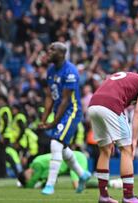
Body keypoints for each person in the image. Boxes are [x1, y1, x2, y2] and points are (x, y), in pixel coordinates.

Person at [88, 72, 138, 203]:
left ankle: (104, 196)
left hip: (93, 105)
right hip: (110, 105)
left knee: (105, 150)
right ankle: (129, 197)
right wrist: (134, 140)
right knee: (126, 150)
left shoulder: (127, 77)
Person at [38, 42, 91, 195]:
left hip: (71, 111)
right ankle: (82, 175)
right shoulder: (50, 71)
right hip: (59, 112)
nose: (48, 52)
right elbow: (49, 97)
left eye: (52, 49)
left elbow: (65, 101)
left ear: (62, 53)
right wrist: (43, 120)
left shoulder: (70, 72)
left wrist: (52, 123)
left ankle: (50, 185)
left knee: (56, 143)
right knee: (63, 149)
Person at [17, 151, 123, 190]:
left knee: (77, 186)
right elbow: (47, 177)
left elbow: (33, 182)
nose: (31, 177)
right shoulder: (36, 164)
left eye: (27, 178)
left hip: (75, 159)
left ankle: (112, 183)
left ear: (26, 175)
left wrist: (25, 186)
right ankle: (113, 183)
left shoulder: (36, 165)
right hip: (74, 159)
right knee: (83, 183)